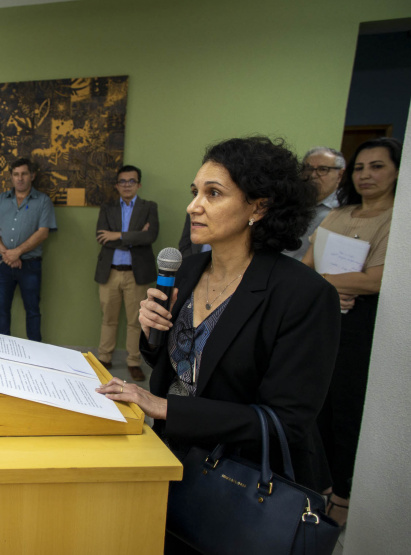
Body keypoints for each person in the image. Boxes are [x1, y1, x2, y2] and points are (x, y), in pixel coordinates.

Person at [97, 137, 339, 506]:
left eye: (213, 194)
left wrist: (165, 406)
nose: (193, 206)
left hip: (241, 479)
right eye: (195, 192)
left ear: (259, 206)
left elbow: (287, 421)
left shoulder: (303, 293)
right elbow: (185, 368)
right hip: (172, 451)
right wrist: (152, 336)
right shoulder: (187, 270)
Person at [302, 137, 400, 528]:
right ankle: (319, 484)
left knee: (347, 408)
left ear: (397, 172)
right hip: (324, 319)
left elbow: (377, 280)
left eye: (377, 166)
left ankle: (342, 493)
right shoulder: (338, 214)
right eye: (360, 167)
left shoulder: (398, 219)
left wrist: (326, 283)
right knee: (316, 403)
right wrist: (333, 285)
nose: (366, 175)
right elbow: (305, 268)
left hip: (362, 327)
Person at [94, 165, 159, 381]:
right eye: (123, 181)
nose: (127, 185)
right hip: (110, 272)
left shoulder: (149, 207)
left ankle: (133, 361)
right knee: (108, 318)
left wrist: (118, 235)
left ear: (139, 184)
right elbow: (102, 236)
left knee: (136, 320)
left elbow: (150, 237)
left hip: (136, 273)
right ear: (116, 185)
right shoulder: (107, 207)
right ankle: (104, 358)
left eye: (131, 181)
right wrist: (134, 236)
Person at [0, 158, 57, 341]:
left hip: (30, 266)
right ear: (11, 177)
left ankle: (35, 355)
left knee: (33, 311)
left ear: (32, 176)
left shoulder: (43, 201)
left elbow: (43, 233)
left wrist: (17, 252)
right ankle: (4, 352)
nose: (20, 178)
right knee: (1, 310)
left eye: (24, 174)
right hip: (2, 264)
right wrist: (7, 253)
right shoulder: (1, 200)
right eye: (16, 174)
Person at [283, 146, 344, 259]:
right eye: (308, 168)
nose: (313, 175)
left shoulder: (343, 209)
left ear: (339, 175)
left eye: (322, 169)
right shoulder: (292, 200)